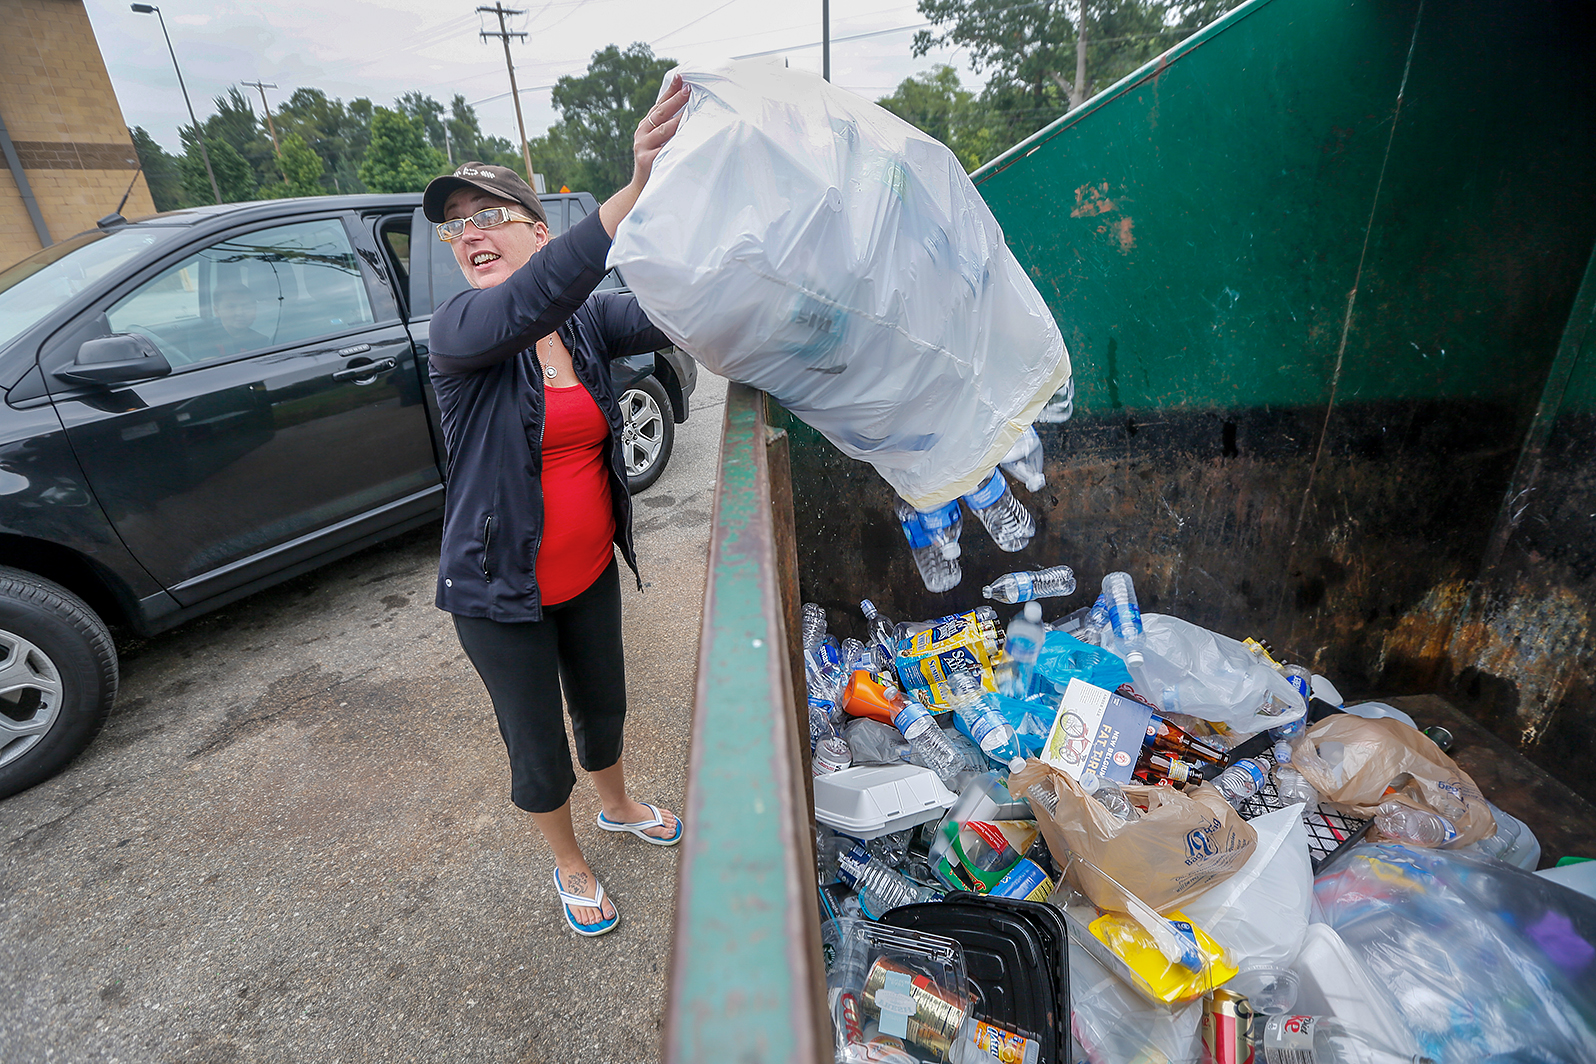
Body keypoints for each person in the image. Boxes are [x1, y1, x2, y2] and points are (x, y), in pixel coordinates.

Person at [422, 75, 691, 938]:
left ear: (536, 230)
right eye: (454, 225)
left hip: (586, 572)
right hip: (500, 595)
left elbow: (670, 308)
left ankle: (617, 807)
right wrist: (634, 184)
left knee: (604, 704)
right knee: (538, 746)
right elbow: (540, 292)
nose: (469, 234)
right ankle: (569, 862)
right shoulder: (462, 332)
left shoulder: (581, 323)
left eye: (487, 215)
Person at [212, 282, 271, 355]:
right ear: (217, 311)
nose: (240, 312)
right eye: (231, 307)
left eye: (246, 307)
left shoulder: (263, 342)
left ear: (255, 310)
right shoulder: (206, 340)